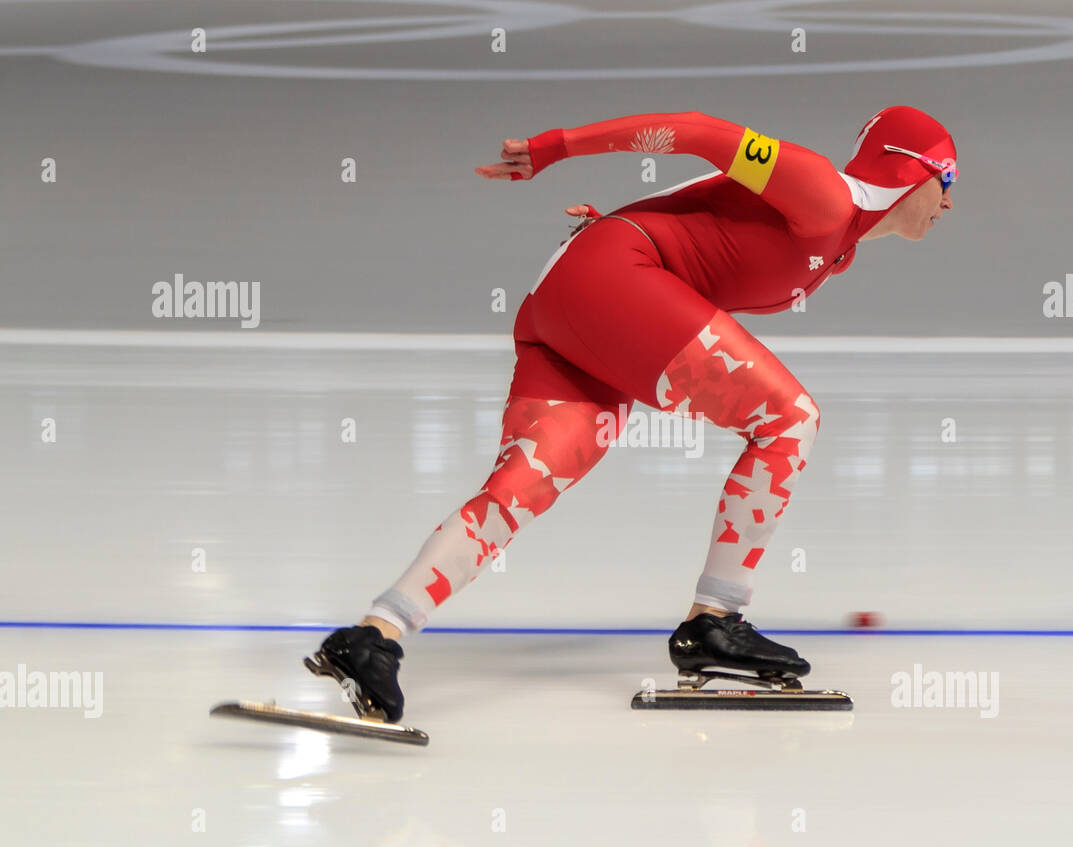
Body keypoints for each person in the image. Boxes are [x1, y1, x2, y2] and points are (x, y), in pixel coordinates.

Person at [311, 106, 957, 723]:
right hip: (610, 279)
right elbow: (699, 133)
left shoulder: (840, 249)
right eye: (946, 178)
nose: (951, 200)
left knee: (520, 489)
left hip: (588, 297)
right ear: (909, 168)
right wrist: (556, 149)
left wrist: (617, 237)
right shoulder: (822, 194)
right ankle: (715, 622)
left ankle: (373, 637)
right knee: (790, 417)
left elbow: (704, 230)